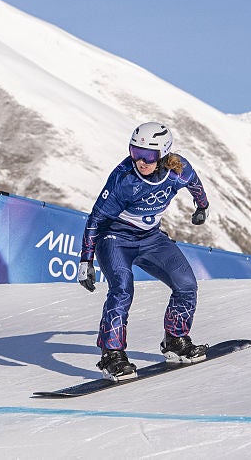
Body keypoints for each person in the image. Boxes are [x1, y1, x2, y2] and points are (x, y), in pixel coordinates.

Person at [76, 121, 210, 381]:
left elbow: (195, 184)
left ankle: (175, 341)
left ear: (164, 154)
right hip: (115, 239)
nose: (141, 161)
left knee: (186, 285)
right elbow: (95, 219)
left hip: (151, 239)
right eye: (135, 153)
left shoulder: (178, 169)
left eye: (148, 156)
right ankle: (112, 356)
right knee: (122, 289)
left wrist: (202, 206)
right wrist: (86, 260)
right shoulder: (123, 178)